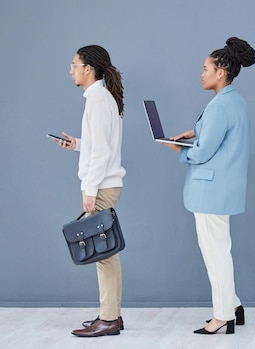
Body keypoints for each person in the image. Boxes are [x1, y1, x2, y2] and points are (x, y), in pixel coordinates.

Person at [162, 37, 255, 335]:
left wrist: (176, 147)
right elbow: (220, 137)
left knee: (216, 255)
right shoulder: (233, 101)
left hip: (211, 191)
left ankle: (223, 316)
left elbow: (202, 152)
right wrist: (196, 131)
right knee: (219, 250)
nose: (201, 73)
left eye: (206, 68)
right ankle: (234, 306)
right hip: (223, 189)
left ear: (222, 71)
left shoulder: (219, 106)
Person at [54, 45, 126, 337]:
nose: (71, 70)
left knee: (104, 254)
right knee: (106, 252)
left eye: (74, 65)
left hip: (102, 186)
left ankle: (109, 319)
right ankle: (112, 316)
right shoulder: (100, 97)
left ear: (88, 68)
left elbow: (103, 153)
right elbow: (99, 145)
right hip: (107, 183)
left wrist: (89, 189)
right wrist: (78, 145)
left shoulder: (97, 99)